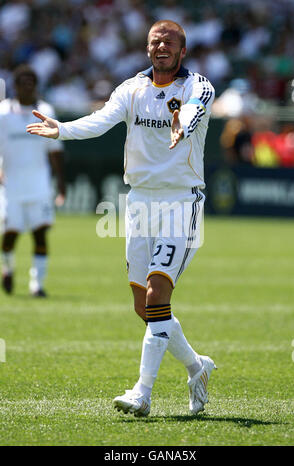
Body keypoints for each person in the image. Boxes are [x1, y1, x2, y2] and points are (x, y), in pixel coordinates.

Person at [26, 20, 217, 416]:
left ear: (183, 51)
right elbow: (100, 120)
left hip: (182, 203)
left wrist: (183, 122)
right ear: (147, 48)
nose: (160, 46)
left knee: (157, 294)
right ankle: (197, 367)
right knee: (143, 307)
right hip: (140, 203)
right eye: (154, 41)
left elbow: (196, 109)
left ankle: (142, 393)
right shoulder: (132, 89)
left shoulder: (198, 85)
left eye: (169, 42)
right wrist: (61, 129)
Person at [0, 64, 65, 297]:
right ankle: (7, 268)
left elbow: (55, 150)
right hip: (11, 185)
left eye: (32, 82)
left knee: (40, 232)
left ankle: (37, 285)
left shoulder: (46, 111)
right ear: (15, 86)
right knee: (10, 234)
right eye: (23, 82)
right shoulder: (3, 112)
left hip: (39, 184)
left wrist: (61, 183)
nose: (28, 87)